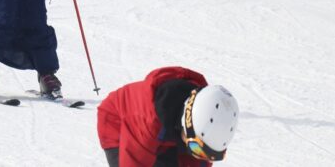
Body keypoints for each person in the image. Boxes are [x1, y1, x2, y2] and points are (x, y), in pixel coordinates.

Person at [97, 67, 240, 167]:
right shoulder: (146, 120)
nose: (198, 156)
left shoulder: (202, 116)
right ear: (187, 123)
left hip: (167, 133)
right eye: (196, 149)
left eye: (206, 154)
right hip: (117, 123)